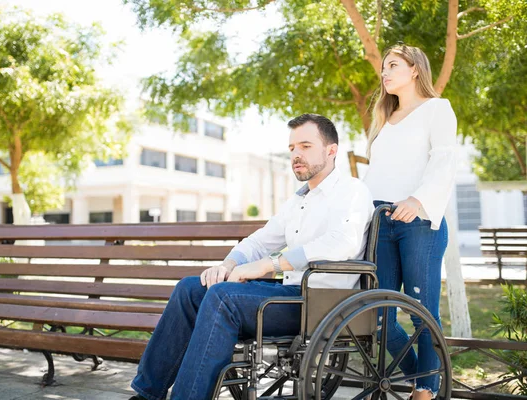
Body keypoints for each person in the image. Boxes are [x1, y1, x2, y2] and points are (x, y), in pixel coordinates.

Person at [129, 113, 374, 400]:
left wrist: (268, 265)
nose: (296, 154)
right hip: (292, 294)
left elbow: (341, 242)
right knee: (190, 289)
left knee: (223, 298)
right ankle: (146, 395)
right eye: (292, 148)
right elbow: (261, 240)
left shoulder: (352, 191)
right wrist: (228, 264)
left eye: (305, 146)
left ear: (331, 150)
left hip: (322, 303)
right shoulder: (300, 200)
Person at [363, 44, 457, 400]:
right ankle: (427, 377)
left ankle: (424, 391)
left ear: (415, 69)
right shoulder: (385, 120)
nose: (384, 73)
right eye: (384, 67)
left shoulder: (437, 109)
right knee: (378, 316)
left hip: (419, 223)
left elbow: (444, 162)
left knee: (421, 315)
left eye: (393, 65)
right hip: (381, 223)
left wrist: (417, 201)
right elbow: (377, 175)